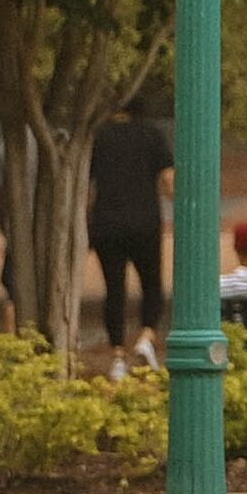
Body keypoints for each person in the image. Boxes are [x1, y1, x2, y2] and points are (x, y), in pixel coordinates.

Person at [85, 99, 172, 374]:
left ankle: (118, 356)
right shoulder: (152, 134)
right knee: (151, 282)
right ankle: (147, 335)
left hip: (107, 221)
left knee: (114, 288)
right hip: (145, 220)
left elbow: (88, 186)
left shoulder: (98, 137)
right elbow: (169, 179)